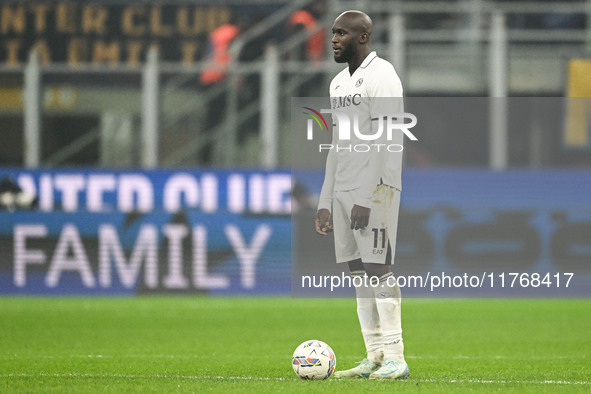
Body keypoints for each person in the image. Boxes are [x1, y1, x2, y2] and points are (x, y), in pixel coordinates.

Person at [314, 10, 410, 380]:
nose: (334, 39)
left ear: (363, 37)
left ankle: (397, 356)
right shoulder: (338, 83)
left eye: (342, 33)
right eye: (333, 32)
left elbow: (388, 138)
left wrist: (368, 196)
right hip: (343, 188)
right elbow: (336, 145)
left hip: (378, 188)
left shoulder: (382, 75)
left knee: (377, 267)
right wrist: (325, 199)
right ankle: (374, 355)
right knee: (358, 273)